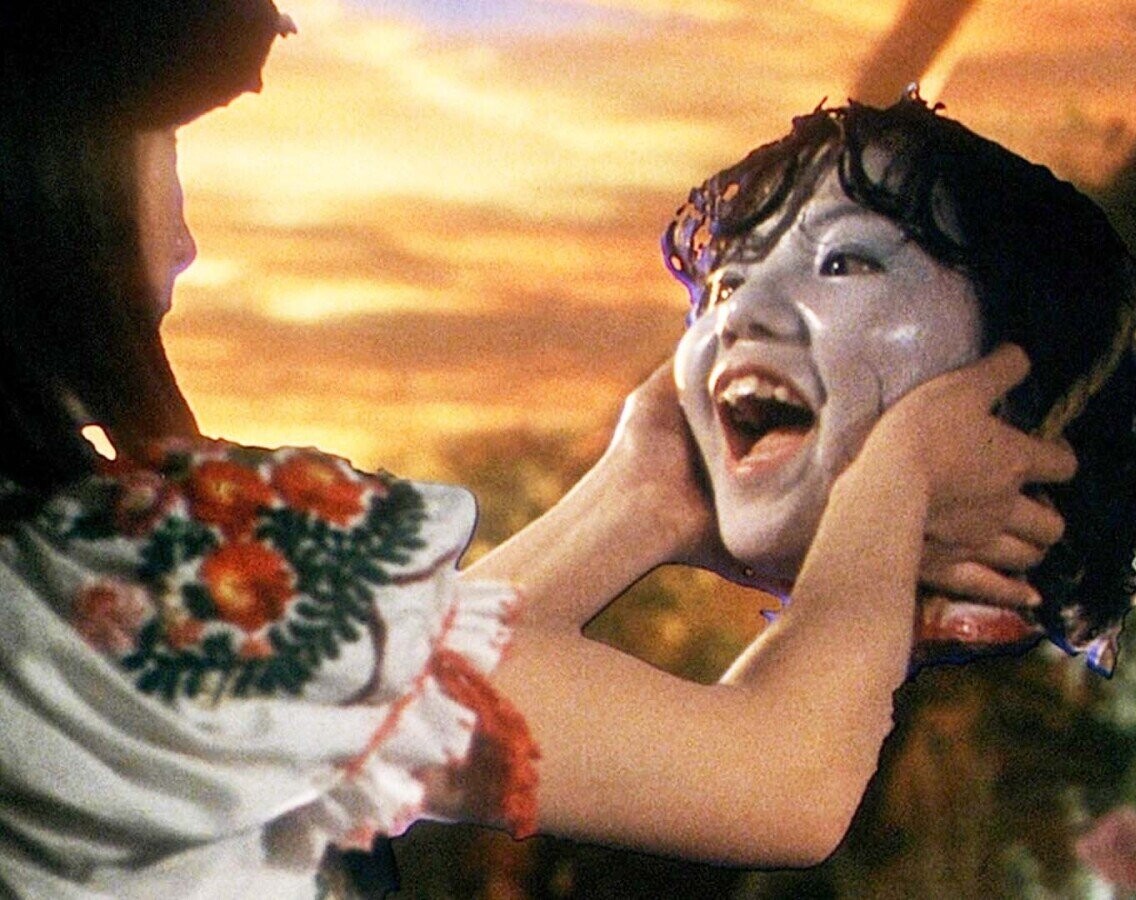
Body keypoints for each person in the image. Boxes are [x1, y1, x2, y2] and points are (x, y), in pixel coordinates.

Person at [0, 2, 1077, 897]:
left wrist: (642, 497)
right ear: (46, 175)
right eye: (164, 144)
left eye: (845, 265)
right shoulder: (118, 585)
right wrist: (900, 476)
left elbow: (347, 715)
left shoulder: (71, 595)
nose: (185, 239)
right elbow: (784, 780)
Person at [665, 95, 1136, 676]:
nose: (739, 314)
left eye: (843, 262)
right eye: (726, 283)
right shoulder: (815, 688)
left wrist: (899, 478)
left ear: (1025, 360)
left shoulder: (1033, 703)